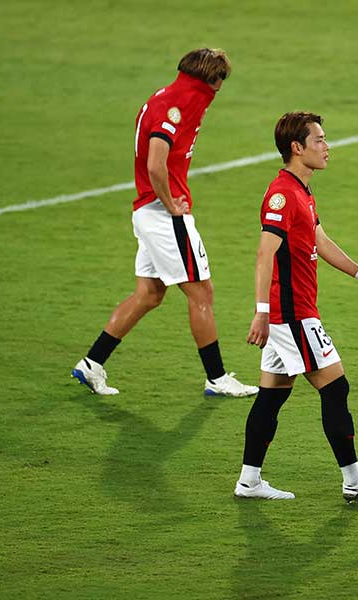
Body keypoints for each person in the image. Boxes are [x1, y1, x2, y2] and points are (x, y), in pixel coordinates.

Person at [233, 111, 358, 501]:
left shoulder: (302, 191)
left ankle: (249, 481)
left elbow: (320, 241)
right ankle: (355, 481)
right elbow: (264, 254)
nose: (328, 147)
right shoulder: (282, 194)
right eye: (320, 140)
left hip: (290, 313)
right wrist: (261, 311)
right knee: (336, 388)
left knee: (272, 395)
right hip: (291, 314)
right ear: (297, 147)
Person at [71, 48, 257, 398]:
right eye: (220, 81)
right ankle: (217, 378)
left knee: (150, 294)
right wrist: (171, 205)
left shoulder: (168, 95)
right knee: (201, 292)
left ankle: (92, 364)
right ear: (209, 79)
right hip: (161, 213)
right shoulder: (179, 104)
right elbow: (157, 163)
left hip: (147, 211)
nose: (221, 89)